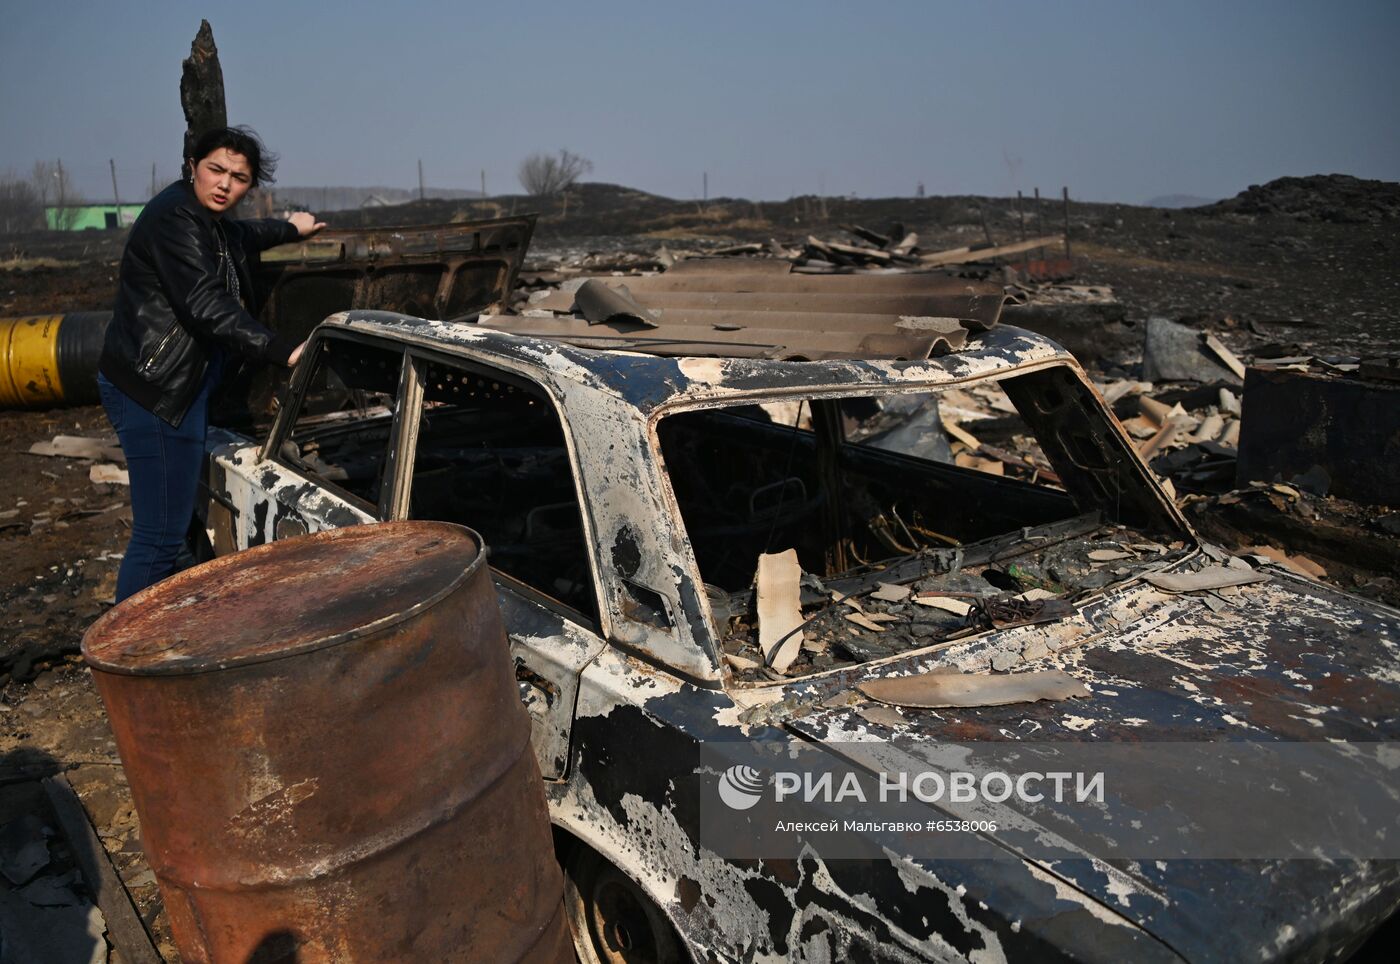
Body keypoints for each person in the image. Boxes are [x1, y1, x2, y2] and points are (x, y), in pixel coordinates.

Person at [97, 125, 325, 602]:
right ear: (192, 167)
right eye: (215, 170)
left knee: (176, 527)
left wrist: (291, 228)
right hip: (155, 390)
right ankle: (127, 654)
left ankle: (171, 620)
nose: (225, 184)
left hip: (175, 386)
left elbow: (243, 234)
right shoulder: (176, 218)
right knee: (159, 537)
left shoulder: (208, 220)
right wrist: (282, 350)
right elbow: (205, 302)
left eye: (238, 177)